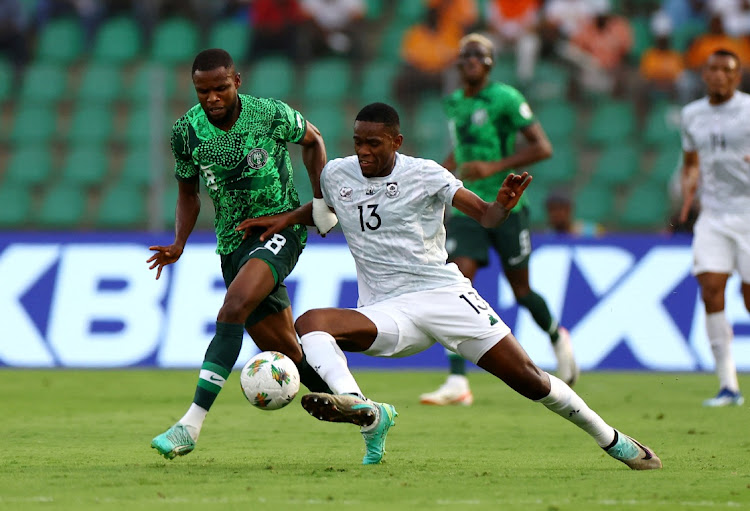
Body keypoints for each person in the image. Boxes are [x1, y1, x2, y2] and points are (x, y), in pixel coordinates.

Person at [237, 102, 662, 470]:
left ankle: (613, 439)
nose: (363, 152)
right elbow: (326, 212)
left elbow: (486, 217)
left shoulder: (427, 175)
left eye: (374, 144)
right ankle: (362, 409)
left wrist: (500, 205)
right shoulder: (337, 173)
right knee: (312, 322)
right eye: (358, 142)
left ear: (397, 141)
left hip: (444, 296)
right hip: (386, 310)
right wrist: (284, 220)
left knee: (531, 380)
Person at [148, 48, 338, 460]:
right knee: (291, 353)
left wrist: (320, 202)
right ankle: (367, 412)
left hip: (279, 231)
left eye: (220, 88)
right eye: (203, 91)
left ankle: (190, 426)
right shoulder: (186, 132)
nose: (212, 98)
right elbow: (188, 193)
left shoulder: (267, 114)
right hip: (232, 245)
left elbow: (314, 139)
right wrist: (179, 241)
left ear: (237, 81)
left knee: (232, 307)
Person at [419, 33, 578, 407]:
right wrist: (435, 177)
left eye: (479, 55)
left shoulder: (506, 98)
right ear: (459, 64)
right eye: (465, 55)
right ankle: (457, 381)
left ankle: (557, 336)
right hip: (469, 207)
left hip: (507, 207)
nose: (471, 60)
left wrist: (495, 166)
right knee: (456, 283)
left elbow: (542, 147)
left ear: (489, 63)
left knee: (522, 292)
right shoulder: (454, 102)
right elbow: (460, 150)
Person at [679, 48, 750, 407]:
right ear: (704, 74)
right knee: (710, 289)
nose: (719, 74)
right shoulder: (691, 115)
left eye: (727, 70)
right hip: (713, 214)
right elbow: (690, 160)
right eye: (713, 69)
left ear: (737, 77)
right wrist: (689, 181)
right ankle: (728, 386)